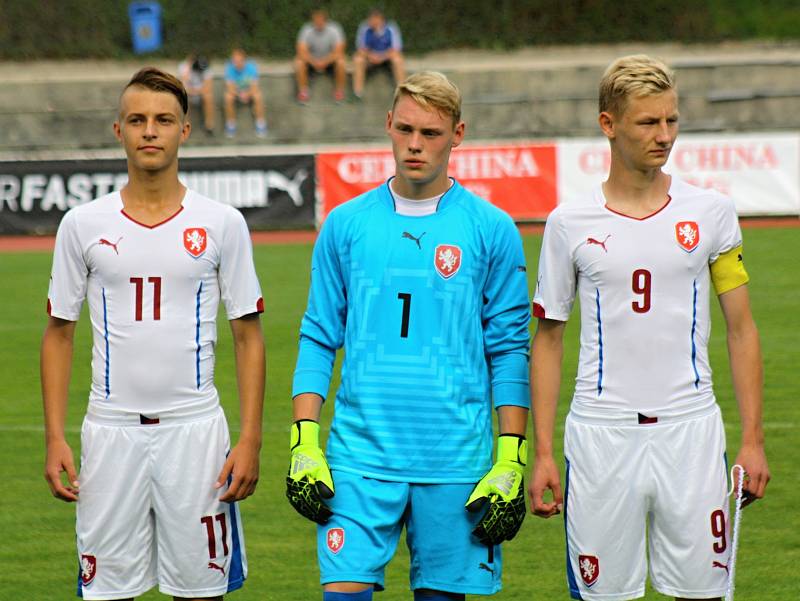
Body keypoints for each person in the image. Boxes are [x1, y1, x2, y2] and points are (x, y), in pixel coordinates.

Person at [528, 54, 770, 601]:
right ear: (608, 124)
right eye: (648, 122)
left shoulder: (711, 212)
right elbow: (547, 340)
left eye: (672, 120)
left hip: (692, 432)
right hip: (600, 437)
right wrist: (544, 451)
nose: (664, 136)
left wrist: (752, 439)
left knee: (704, 594)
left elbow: (742, 329)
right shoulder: (569, 224)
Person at [286, 71, 531, 601]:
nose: (415, 144)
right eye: (406, 129)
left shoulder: (492, 229)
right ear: (388, 126)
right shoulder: (345, 224)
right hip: (357, 459)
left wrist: (511, 455)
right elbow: (318, 334)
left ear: (458, 134)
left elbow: (510, 348)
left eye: (432, 133)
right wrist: (304, 440)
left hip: (456, 463)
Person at [42, 67, 265, 600]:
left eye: (163, 120)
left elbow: (248, 336)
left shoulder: (222, 223)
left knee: (200, 591)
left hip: (196, 433)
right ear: (117, 130)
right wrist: (54, 436)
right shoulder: (82, 224)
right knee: (107, 592)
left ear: (184, 130)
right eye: (137, 120)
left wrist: (251, 438)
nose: (150, 131)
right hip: (110, 432)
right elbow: (58, 333)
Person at [294, 7, 347, 103]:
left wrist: (324, 62)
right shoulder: (306, 30)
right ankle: (303, 92)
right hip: (312, 61)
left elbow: (339, 51)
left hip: (330, 61)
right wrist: (314, 62)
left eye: (320, 19)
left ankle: (339, 91)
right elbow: (301, 51)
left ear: (325, 20)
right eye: (315, 19)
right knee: (299, 62)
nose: (318, 22)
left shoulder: (335, 29)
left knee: (341, 61)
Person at [352, 7, 405, 99]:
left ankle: (402, 92)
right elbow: (361, 49)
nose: (372, 21)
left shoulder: (391, 28)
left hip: (386, 58)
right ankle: (358, 93)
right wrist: (371, 56)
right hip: (370, 58)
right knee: (358, 59)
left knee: (398, 59)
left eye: (375, 19)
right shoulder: (364, 28)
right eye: (371, 19)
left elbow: (396, 49)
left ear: (381, 19)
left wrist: (382, 57)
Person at [224, 48, 267, 138]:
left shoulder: (252, 67)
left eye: (238, 61)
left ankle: (260, 124)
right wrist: (240, 94)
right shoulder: (229, 68)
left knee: (258, 96)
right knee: (228, 97)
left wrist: (247, 94)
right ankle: (231, 125)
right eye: (234, 61)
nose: (236, 63)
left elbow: (255, 86)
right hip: (236, 93)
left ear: (244, 60)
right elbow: (230, 88)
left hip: (249, 91)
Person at [178, 53, 216, 136]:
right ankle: (185, 126)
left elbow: (208, 88)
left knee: (208, 97)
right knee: (184, 98)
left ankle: (209, 127)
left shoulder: (207, 68)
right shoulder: (184, 67)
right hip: (189, 95)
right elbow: (183, 88)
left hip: (200, 94)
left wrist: (195, 91)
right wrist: (187, 73)